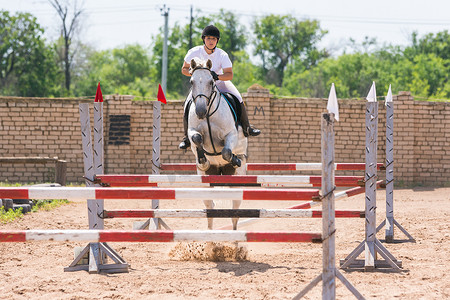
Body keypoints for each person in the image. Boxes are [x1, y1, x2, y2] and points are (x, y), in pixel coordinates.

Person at [179, 25, 261, 150]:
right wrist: (194, 73)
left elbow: (229, 75)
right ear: (204, 39)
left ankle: (247, 127)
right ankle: (186, 137)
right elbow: (184, 69)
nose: (211, 41)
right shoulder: (194, 52)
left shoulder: (222, 55)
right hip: (201, 85)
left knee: (238, 97)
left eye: (214, 39)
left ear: (217, 41)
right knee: (187, 104)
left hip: (219, 82)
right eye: (208, 38)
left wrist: (217, 76)